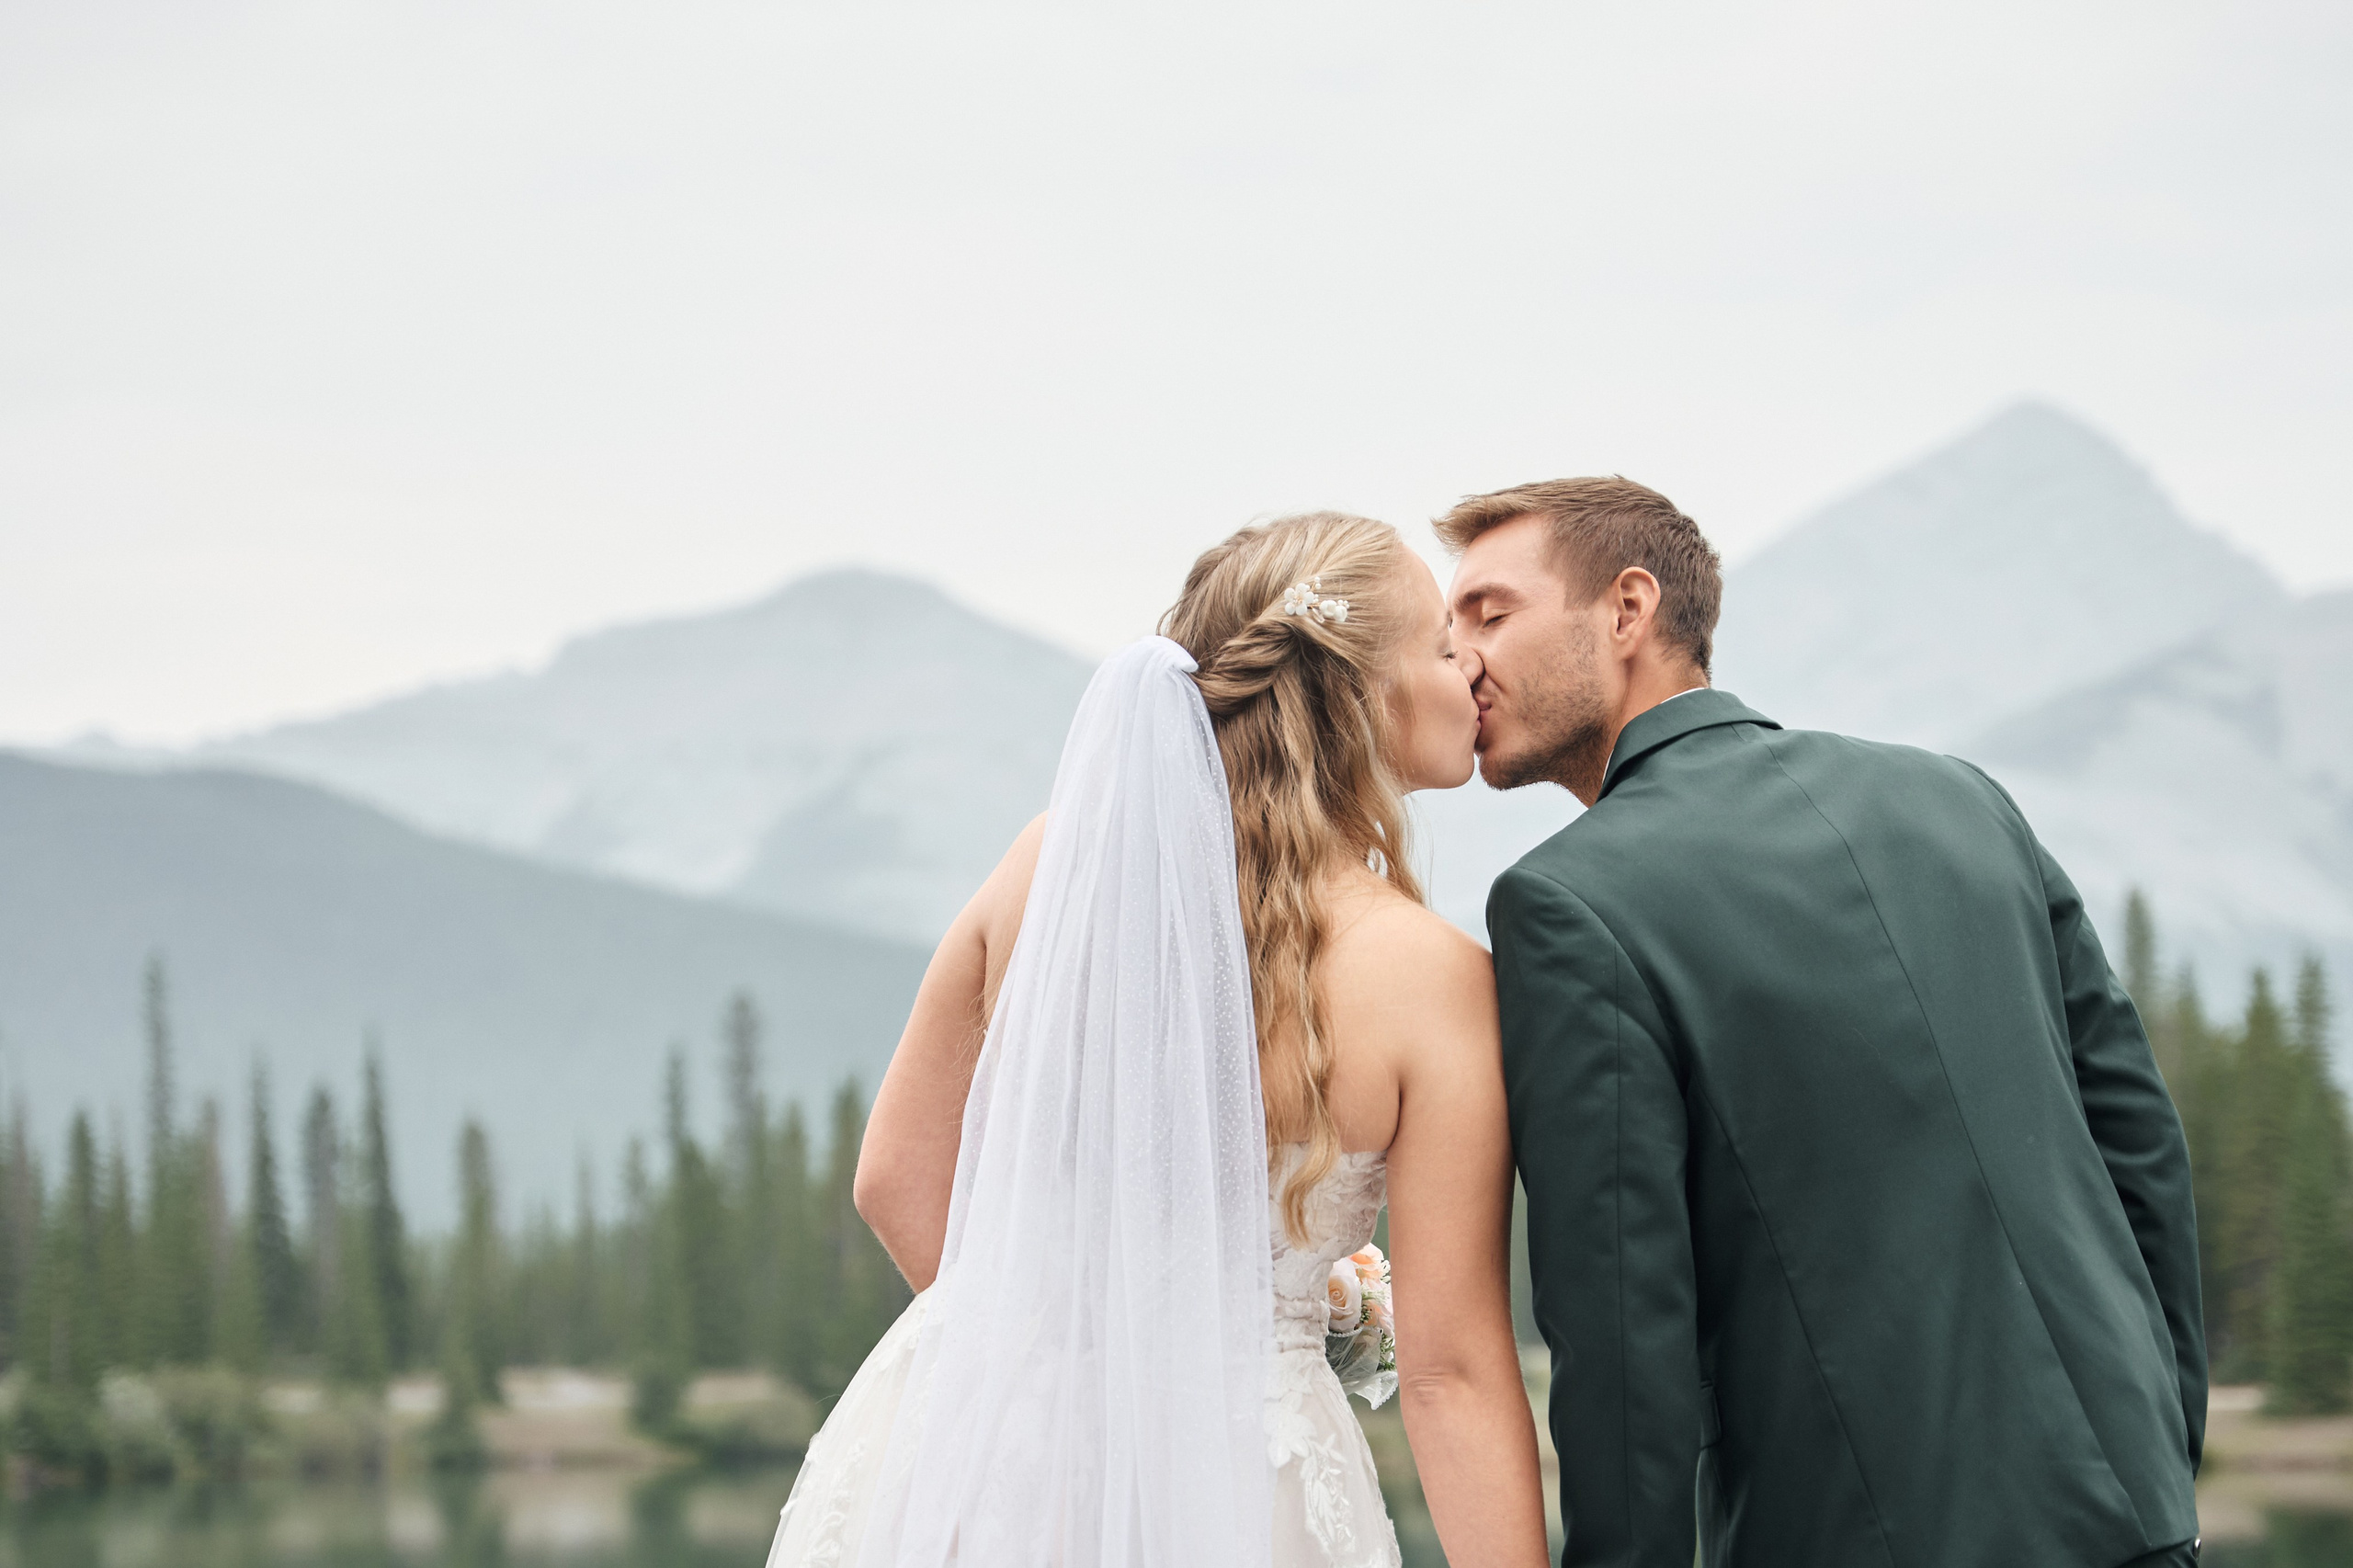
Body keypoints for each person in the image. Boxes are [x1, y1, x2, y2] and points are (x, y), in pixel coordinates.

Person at [1441, 477, 2207, 1568]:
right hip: (2135, 1514)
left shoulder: (1567, 901)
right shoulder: (1959, 798)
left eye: (1490, 613)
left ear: (1626, 609)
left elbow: (1621, 1331)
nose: (1460, 658)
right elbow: (2140, 1151)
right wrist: (2157, 1453)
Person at [765, 511, 1550, 1567]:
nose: (1471, 678)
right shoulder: (1433, 978)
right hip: (1241, 1491)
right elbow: (1447, 1371)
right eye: (1445, 652)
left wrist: (1062, 1364)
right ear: (1364, 693)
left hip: (979, 1461)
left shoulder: (1051, 866)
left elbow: (897, 1177)